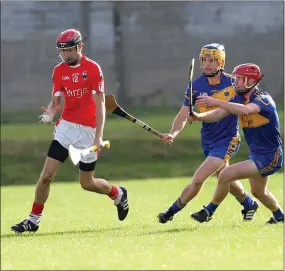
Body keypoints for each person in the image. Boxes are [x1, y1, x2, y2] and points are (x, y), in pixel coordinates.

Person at [11, 29, 129, 234]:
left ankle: (118, 194)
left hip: (89, 132)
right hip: (65, 128)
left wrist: (98, 135)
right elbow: (56, 103)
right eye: (62, 52)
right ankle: (33, 220)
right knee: (46, 175)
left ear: (80, 47)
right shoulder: (58, 71)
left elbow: (101, 105)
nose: (66, 55)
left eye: (70, 50)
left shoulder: (92, 69)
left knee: (87, 183)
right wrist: (49, 113)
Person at [157, 44, 258, 224]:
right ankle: (248, 203)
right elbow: (183, 114)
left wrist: (198, 116)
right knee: (225, 176)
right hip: (208, 139)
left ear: (221, 62)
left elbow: (221, 113)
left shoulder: (233, 84)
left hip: (228, 139)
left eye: (212, 60)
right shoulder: (195, 86)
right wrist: (173, 133)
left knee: (198, 179)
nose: (208, 64)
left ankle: (170, 212)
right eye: (204, 60)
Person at [191, 63, 284, 224]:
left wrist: (215, 101)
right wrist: (199, 117)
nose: (237, 82)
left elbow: (244, 110)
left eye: (241, 79)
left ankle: (209, 211)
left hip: (270, 156)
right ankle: (280, 217)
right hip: (256, 154)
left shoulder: (263, 99)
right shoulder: (239, 97)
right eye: (237, 78)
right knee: (258, 193)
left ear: (251, 81)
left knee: (226, 174)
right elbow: (219, 113)